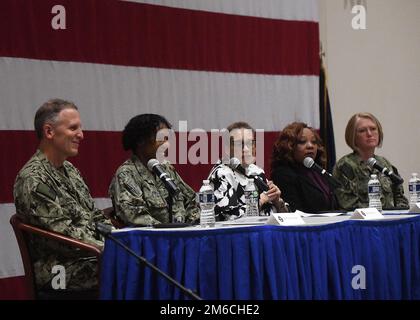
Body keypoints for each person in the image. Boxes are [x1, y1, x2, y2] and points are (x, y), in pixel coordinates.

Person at [13, 98, 109, 292]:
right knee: (133, 269)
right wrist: (113, 249)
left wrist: (121, 239)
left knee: (144, 264)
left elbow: (94, 216)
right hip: (59, 271)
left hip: (87, 258)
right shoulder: (33, 179)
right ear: (49, 132)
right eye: (73, 128)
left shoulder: (69, 170)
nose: (81, 135)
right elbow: (61, 236)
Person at [109, 114, 199, 226]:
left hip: (181, 235)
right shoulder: (126, 174)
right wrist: (170, 231)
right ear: (141, 141)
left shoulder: (165, 168)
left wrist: (191, 226)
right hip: (153, 239)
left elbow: (190, 201)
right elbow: (135, 217)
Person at [208, 121, 288, 221]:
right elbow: (228, 218)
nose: (245, 149)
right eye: (238, 144)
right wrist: (260, 201)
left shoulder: (256, 171)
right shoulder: (221, 174)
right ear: (227, 148)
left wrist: (277, 201)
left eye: (250, 143)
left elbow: (285, 217)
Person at [333, 112, 408, 211]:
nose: (369, 134)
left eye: (373, 129)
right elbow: (349, 205)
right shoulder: (345, 166)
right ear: (353, 136)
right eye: (362, 130)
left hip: (390, 221)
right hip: (363, 223)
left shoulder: (384, 163)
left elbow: (400, 198)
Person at [271, 122, 339, 213]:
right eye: (302, 142)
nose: (310, 146)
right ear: (289, 146)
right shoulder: (283, 174)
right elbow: (294, 210)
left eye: (314, 142)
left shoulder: (318, 171)